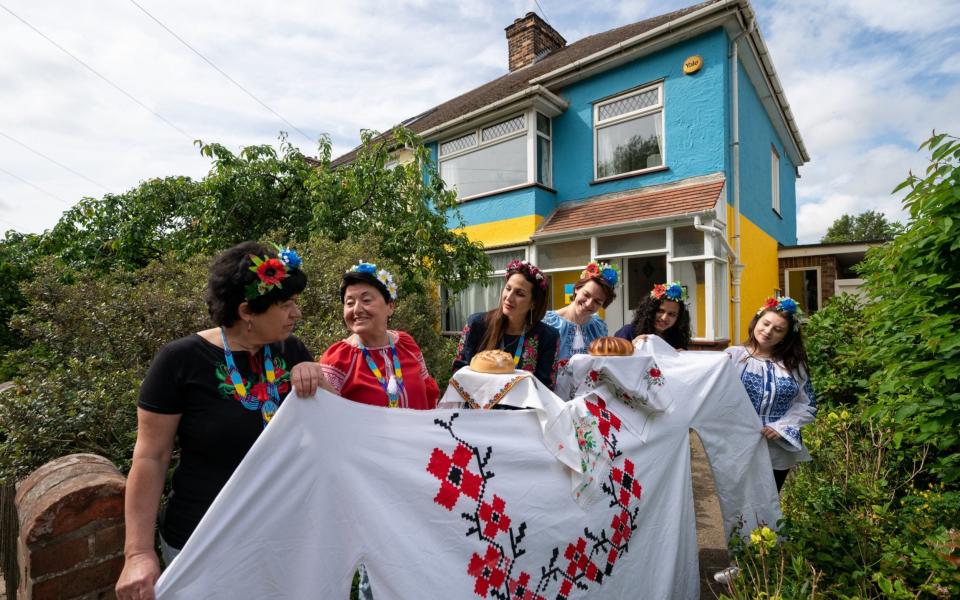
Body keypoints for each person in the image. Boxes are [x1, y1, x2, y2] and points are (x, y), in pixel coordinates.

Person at [116, 242, 328, 600]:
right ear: (247, 311)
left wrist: (317, 376)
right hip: (204, 541)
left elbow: (324, 430)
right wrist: (137, 553)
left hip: (282, 535)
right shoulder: (180, 361)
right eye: (286, 304)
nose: (297, 313)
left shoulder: (290, 350)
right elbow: (151, 457)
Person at [308, 262, 440, 409]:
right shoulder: (338, 359)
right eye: (350, 303)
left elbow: (428, 395)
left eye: (366, 300)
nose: (357, 310)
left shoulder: (406, 344)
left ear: (390, 306)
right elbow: (328, 413)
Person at [725, 296, 817, 491]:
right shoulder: (733, 356)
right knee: (738, 506)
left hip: (777, 450)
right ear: (756, 321)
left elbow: (808, 405)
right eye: (766, 324)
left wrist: (782, 427)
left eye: (778, 330)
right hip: (737, 445)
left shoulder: (793, 365)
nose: (768, 331)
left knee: (769, 505)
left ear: (786, 336)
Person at [453, 259, 560, 389]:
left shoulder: (547, 337)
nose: (509, 297)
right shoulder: (477, 324)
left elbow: (546, 386)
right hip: (477, 404)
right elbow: (459, 372)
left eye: (519, 294)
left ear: (533, 303)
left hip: (524, 407)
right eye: (508, 288)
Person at [543, 261, 618, 362]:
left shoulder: (599, 327)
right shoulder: (548, 322)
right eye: (586, 295)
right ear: (577, 289)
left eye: (597, 301)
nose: (588, 304)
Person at [614, 281, 691, 350]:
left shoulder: (677, 339)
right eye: (660, 311)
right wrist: (631, 348)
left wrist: (682, 358)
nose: (664, 318)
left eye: (671, 314)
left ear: (678, 318)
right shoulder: (628, 332)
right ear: (650, 310)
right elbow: (611, 360)